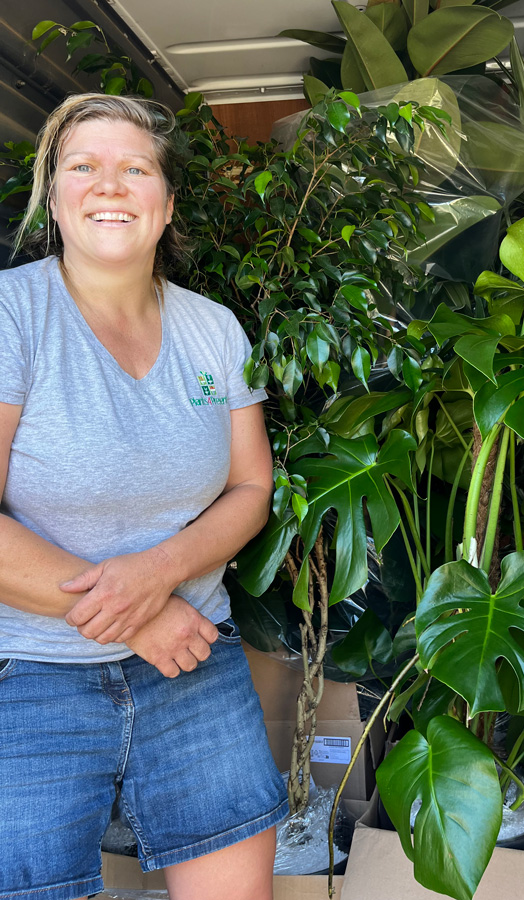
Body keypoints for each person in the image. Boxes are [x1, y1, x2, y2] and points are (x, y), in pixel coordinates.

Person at [0, 93, 288, 900]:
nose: (110, 184)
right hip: (29, 673)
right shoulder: (11, 315)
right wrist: (143, 612)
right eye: (82, 167)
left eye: (136, 168)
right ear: (54, 199)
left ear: (165, 205)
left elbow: (250, 484)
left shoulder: (214, 330)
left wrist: (157, 574)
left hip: (194, 662)